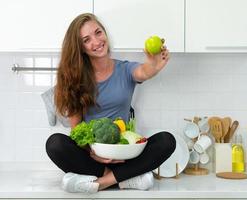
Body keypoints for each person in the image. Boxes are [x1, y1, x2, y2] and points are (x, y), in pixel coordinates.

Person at [45, 13, 176, 193]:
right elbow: (76, 130)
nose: (96, 41)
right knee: (55, 144)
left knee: (166, 141)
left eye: (98, 33)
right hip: (92, 156)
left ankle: (101, 182)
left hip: (125, 153)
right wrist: (93, 152)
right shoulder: (76, 79)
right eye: (86, 39)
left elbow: (143, 72)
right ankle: (126, 178)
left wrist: (153, 64)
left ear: (105, 33)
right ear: (81, 47)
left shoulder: (124, 69)